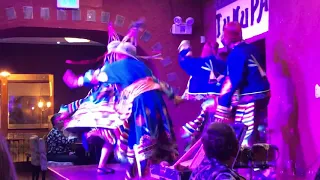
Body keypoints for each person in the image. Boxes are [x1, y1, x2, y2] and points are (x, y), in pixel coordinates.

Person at [63, 31, 178, 179]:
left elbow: (96, 76)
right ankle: (160, 170)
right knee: (158, 139)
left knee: (139, 140)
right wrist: (173, 96)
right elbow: (159, 84)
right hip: (157, 103)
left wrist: (76, 81)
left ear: (119, 54)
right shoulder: (143, 66)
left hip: (139, 103)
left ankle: (137, 173)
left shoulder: (115, 66)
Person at [214, 21, 270, 146]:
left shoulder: (237, 53)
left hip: (250, 95)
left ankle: (250, 163)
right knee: (256, 129)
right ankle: (257, 161)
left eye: (224, 34)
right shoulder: (252, 49)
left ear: (228, 36)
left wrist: (223, 103)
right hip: (262, 94)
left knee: (245, 132)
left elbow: (235, 79)